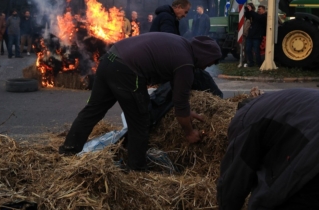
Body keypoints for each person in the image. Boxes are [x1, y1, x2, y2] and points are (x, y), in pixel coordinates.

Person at [59, 33, 222, 170]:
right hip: (128, 71)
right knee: (140, 120)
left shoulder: (180, 44)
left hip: (110, 59)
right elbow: (180, 103)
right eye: (210, 62)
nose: (207, 67)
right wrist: (189, 132)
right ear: (205, 55)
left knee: (93, 110)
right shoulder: (186, 63)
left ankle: (68, 151)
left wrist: (185, 112)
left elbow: (178, 95)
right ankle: (136, 170)